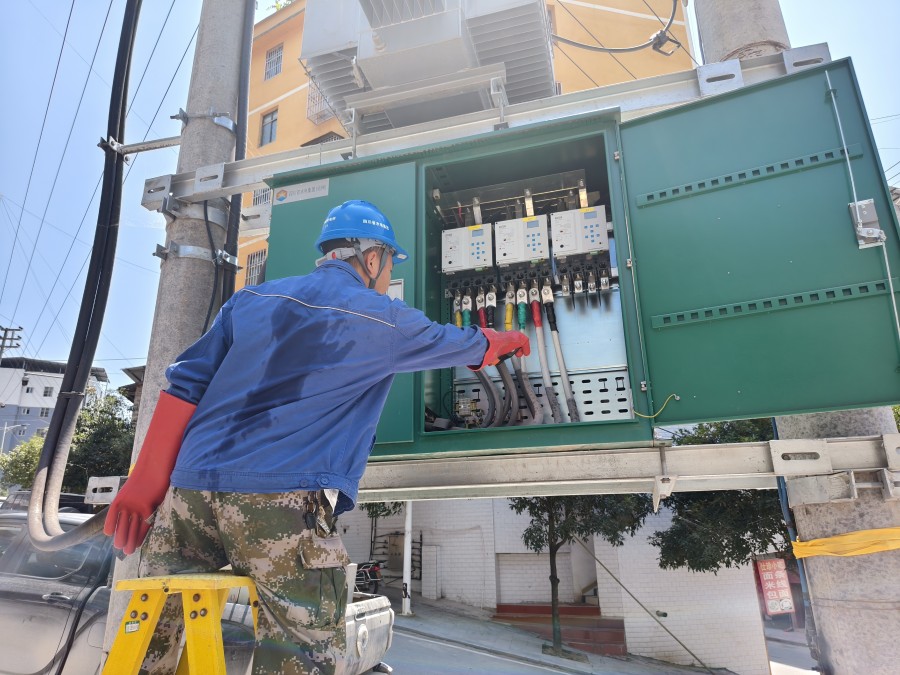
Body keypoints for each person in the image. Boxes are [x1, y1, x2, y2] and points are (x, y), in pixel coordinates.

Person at [103, 200, 530, 675]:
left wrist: (143, 484)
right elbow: (461, 342)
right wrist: (502, 341)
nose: (387, 276)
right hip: (279, 504)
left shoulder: (250, 300)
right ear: (372, 259)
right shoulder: (383, 317)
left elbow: (183, 386)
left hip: (187, 498)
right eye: (389, 265)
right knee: (298, 653)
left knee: (154, 635)